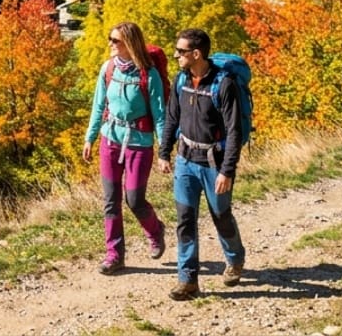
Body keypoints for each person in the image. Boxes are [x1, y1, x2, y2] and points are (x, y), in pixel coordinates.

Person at [158, 27, 246, 300]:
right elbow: (172, 117)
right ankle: (188, 281)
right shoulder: (180, 80)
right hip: (185, 161)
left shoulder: (224, 84)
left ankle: (235, 258)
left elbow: (234, 131)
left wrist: (227, 171)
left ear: (196, 54)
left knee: (221, 216)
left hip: (213, 164)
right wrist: (164, 152)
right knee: (185, 220)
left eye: (181, 51)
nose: (176, 55)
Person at [82, 21, 166, 275]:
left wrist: (164, 151)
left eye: (115, 40)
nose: (110, 43)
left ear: (129, 43)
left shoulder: (148, 75)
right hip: (110, 140)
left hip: (139, 144)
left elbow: (160, 115)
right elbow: (98, 106)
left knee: (134, 199)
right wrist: (90, 137)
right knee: (110, 200)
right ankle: (114, 254)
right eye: (110, 38)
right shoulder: (108, 69)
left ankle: (155, 230)